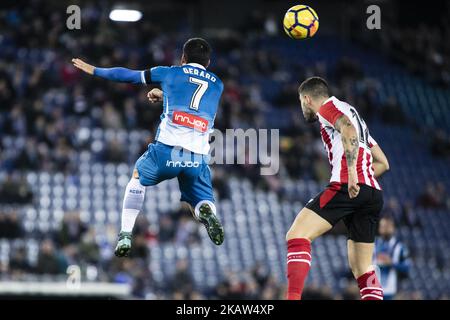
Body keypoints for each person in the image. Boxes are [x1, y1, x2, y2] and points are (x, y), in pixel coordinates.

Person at [72, 38, 225, 257]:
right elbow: (193, 105)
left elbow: (128, 76)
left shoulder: (170, 72)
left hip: (167, 151)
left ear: (183, 58)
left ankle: (125, 233)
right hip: (197, 157)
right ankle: (207, 212)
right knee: (199, 203)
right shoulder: (218, 84)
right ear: (208, 62)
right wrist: (165, 97)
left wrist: (95, 70)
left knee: (137, 177)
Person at [285, 77, 390, 300]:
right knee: (363, 270)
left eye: (301, 103)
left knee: (297, 235)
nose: (302, 108)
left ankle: (292, 297)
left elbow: (348, 131)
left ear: (306, 98)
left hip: (346, 185)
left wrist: (352, 174)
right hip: (372, 193)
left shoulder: (327, 108)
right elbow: (383, 162)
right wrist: (363, 176)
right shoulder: (354, 114)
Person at [374, 216, 411, 300]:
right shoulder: (373, 245)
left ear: (393, 228)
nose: (385, 229)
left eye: (388, 226)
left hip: (391, 291)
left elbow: (407, 266)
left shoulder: (400, 247)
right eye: (383, 226)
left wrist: (392, 263)